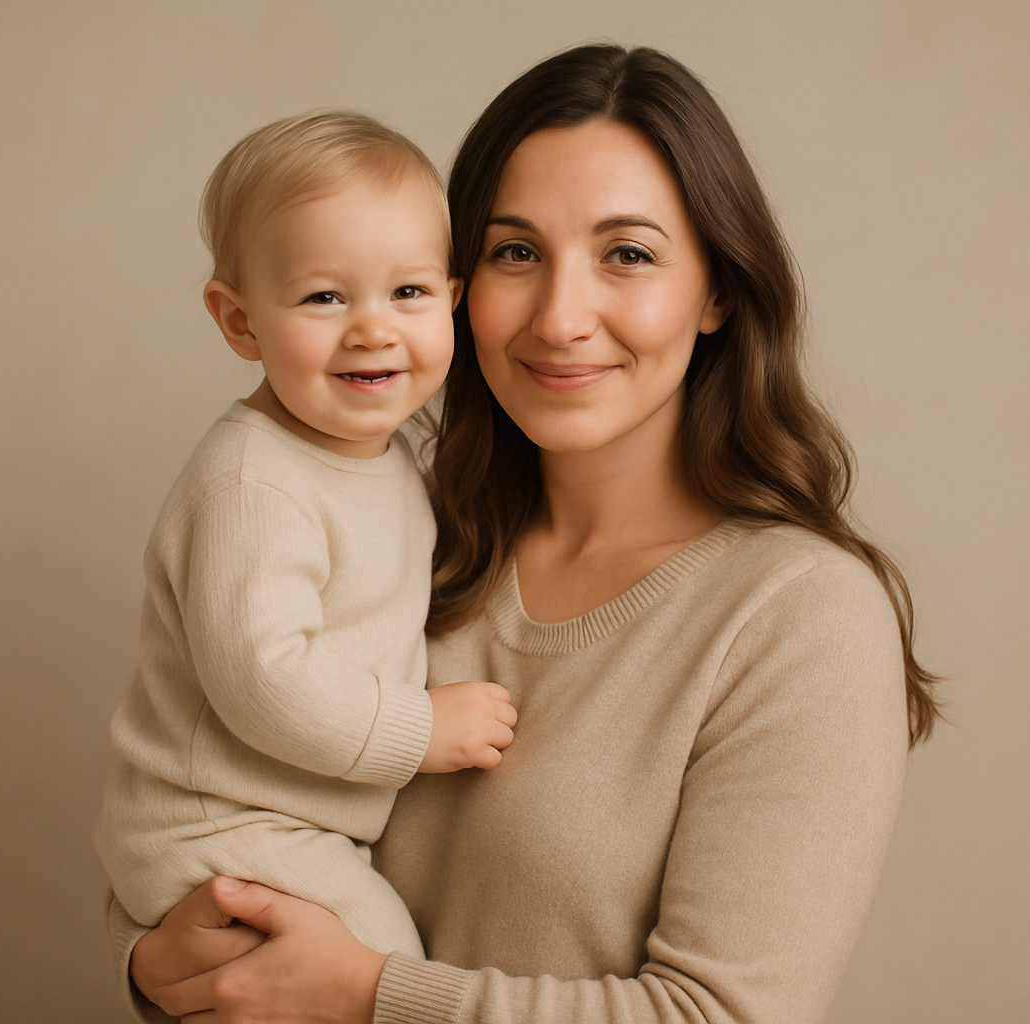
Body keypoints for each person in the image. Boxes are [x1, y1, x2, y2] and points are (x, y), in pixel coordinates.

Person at [113, 44, 941, 1024]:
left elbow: (719, 1019)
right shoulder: (413, 539)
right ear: (459, 284)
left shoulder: (801, 616)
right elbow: (231, 829)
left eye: (627, 254)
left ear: (717, 289)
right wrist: (152, 963)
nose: (561, 315)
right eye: (516, 253)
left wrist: (366, 993)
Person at [94, 110, 519, 977]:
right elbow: (263, 674)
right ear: (241, 323)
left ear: (452, 301)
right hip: (218, 824)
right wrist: (418, 730)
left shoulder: (389, 455)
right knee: (381, 963)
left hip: (294, 824)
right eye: (326, 297)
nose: (372, 328)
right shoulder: (253, 481)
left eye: (408, 292)